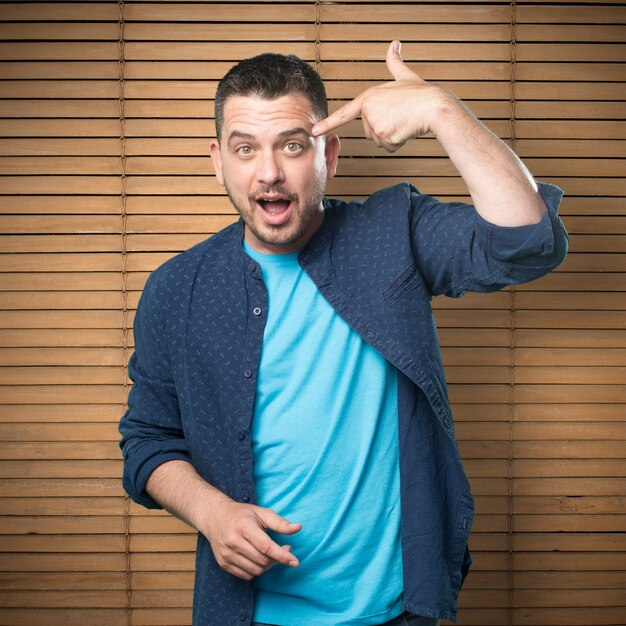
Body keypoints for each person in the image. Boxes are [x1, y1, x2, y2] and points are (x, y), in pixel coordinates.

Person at [119, 41, 568, 626]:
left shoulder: (394, 233)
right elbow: (147, 440)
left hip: (397, 611)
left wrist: (441, 111)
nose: (270, 171)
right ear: (218, 160)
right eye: (246, 148)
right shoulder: (175, 289)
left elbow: (528, 242)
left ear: (329, 153)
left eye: (293, 145)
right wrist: (210, 511)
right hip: (245, 612)